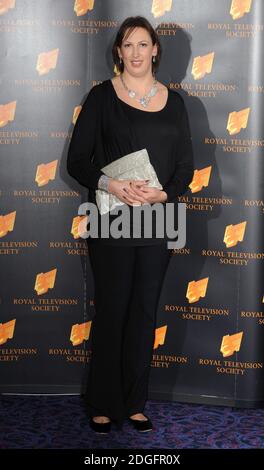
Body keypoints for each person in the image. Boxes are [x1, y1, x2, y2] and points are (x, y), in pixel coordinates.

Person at [67, 15, 194, 433]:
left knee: (144, 313)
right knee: (114, 311)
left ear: (155, 50)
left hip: (159, 219)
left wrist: (164, 194)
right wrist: (114, 184)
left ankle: (135, 401)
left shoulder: (174, 102)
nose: (136, 53)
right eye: (128, 45)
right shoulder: (102, 96)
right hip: (112, 221)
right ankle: (103, 402)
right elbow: (77, 161)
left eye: (143, 44)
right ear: (118, 53)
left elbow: (185, 168)